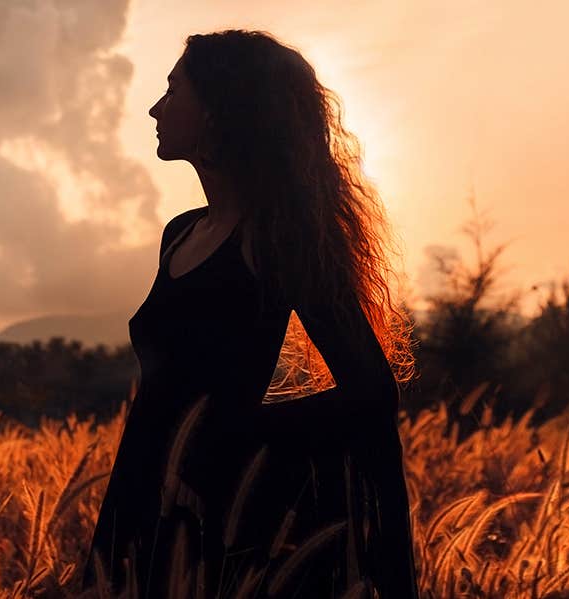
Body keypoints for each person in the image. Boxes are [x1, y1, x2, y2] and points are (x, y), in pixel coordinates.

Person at [78, 30, 421, 599]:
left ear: (220, 108)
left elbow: (370, 391)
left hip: (219, 512)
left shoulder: (278, 239)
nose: (155, 108)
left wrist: (239, 435)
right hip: (139, 495)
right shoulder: (179, 233)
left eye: (172, 90)